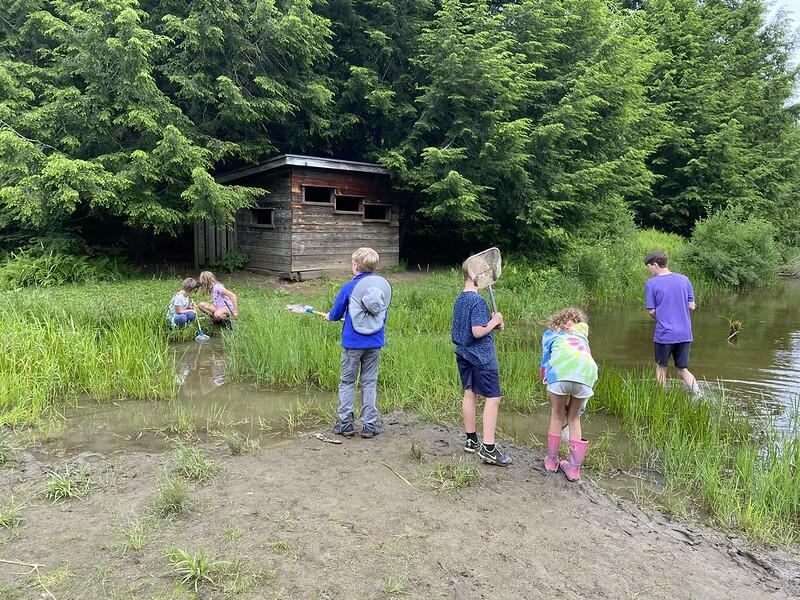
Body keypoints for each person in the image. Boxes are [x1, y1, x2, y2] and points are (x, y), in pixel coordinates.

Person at [325, 248, 391, 439]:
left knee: (347, 382)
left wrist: (331, 317)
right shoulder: (381, 289)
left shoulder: (348, 287)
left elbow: (336, 314)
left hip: (353, 344)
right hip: (375, 343)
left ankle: (345, 424)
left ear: (355, 265)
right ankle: (369, 425)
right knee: (369, 382)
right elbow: (382, 316)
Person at [451, 257, 511, 466]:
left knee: (470, 393)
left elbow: (470, 327)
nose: (488, 278)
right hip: (481, 357)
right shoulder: (478, 301)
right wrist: (494, 321)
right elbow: (477, 332)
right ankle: (489, 448)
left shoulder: (461, 298)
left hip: (463, 354)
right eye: (485, 274)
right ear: (478, 277)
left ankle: (471, 440)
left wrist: (492, 324)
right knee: (493, 398)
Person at [540, 308, 598, 482]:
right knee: (574, 418)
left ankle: (551, 461)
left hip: (560, 372)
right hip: (586, 374)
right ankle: (573, 469)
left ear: (558, 323)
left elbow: (545, 363)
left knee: (557, 414)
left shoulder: (551, 335)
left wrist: (545, 378)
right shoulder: (583, 338)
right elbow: (584, 360)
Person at [644, 251, 698, 393]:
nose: (648, 270)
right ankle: (698, 395)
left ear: (655, 265)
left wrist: (662, 317)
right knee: (682, 369)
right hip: (685, 333)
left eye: (648, 266)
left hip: (665, 333)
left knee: (661, 367)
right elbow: (692, 306)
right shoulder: (684, 279)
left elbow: (651, 311)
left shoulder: (651, 283)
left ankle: (662, 398)